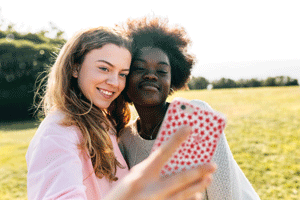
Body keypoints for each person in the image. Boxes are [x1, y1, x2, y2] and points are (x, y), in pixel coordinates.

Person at [26, 26, 216, 200]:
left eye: (123, 74)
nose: (114, 82)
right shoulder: (57, 134)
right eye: (104, 68)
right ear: (75, 68)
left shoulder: (104, 124)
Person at [118, 16, 261, 200]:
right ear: (125, 77)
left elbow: (225, 190)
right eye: (139, 68)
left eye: (162, 71)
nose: (151, 76)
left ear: (172, 82)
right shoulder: (125, 139)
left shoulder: (195, 116)